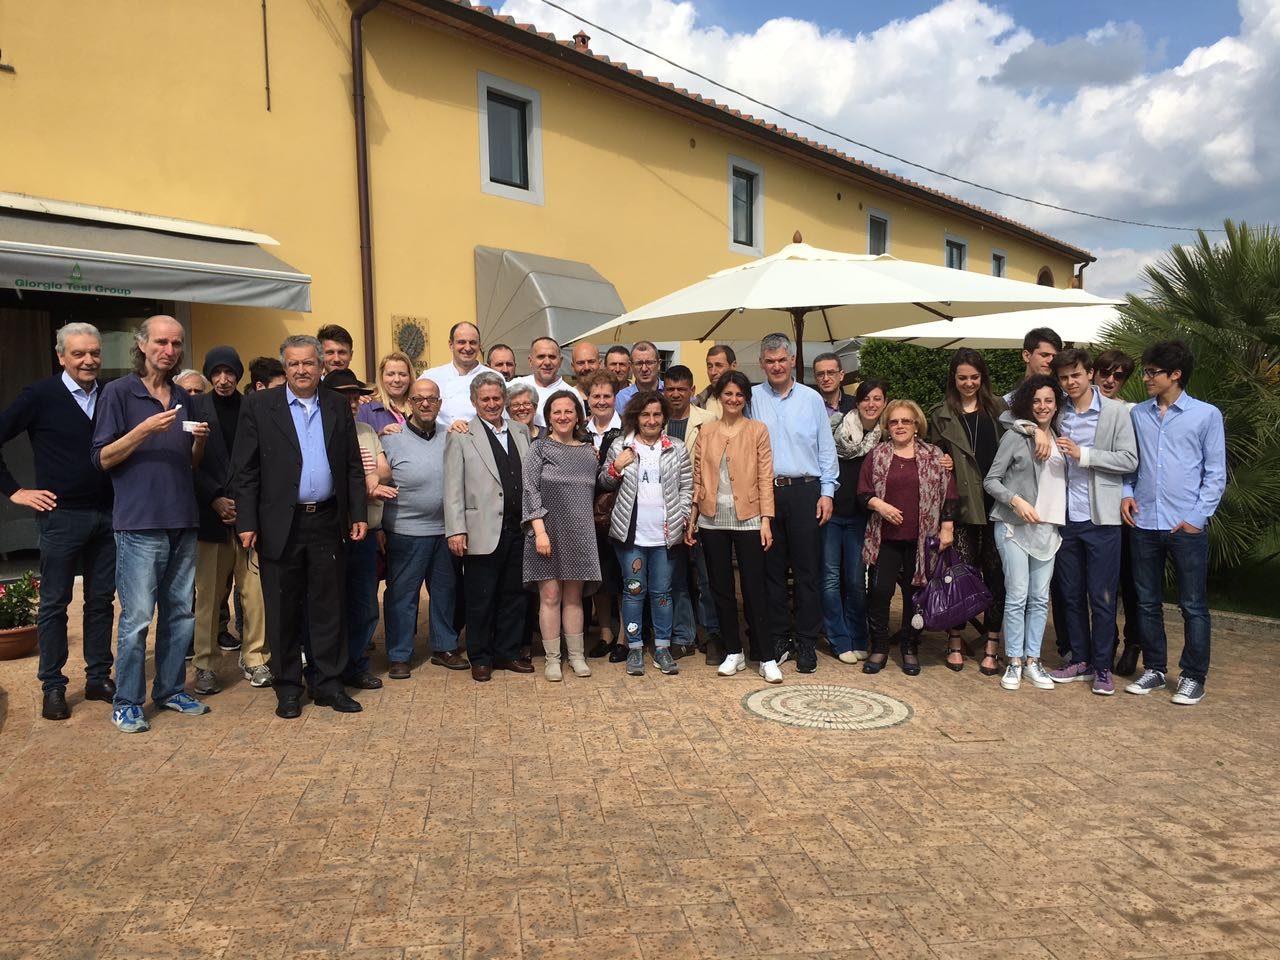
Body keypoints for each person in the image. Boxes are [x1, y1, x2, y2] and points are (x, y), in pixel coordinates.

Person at [232, 335, 369, 718]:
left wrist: (357, 513)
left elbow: (352, 466)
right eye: (293, 364)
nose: (302, 370)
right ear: (285, 367)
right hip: (280, 523)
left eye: (309, 363)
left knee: (329, 607)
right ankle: (288, 687)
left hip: (327, 519)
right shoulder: (259, 406)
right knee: (282, 609)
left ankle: (328, 684)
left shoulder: (337, 405)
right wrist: (246, 521)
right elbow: (245, 470)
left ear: (322, 366)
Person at [91, 316, 211, 732]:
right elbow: (103, 458)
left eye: (177, 343)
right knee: (138, 618)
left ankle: (171, 689)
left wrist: (198, 442)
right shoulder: (117, 393)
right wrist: (142, 430)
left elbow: (191, 464)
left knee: (180, 613)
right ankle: (126, 701)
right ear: (141, 345)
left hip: (183, 518)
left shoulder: (183, 396)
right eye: (161, 342)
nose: (170, 350)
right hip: (139, 524)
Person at [0, 322, 116, 721]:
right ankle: (53, 685)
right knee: (54, 604)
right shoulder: (40, 395)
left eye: (94, 353)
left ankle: (99, 676)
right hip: (60, 516)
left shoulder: (111, 394)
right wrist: (16, 491)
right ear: (61, 356)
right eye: (79, 354)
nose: (89, 361)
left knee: (101, 601)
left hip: (108, 515)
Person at [1122, 341, 1226, 706]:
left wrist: (1197, 518)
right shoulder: (1139, 415)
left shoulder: (1206, 415)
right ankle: (1155, 668)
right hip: (1145, 522)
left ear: (1175, 375)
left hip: (1186, 526)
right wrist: (1125, 492)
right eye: (1146, 371)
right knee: (1147, 602)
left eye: (1152, 372)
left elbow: (1215, 473)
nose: (1146, 378)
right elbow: (1130, 463)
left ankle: (1194, 676)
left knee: (1193, 604)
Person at [1047, 348, 1139, 696]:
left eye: (1076, 376)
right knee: (1070, 595)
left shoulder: (1116, 412)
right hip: (1065, 517)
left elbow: (1129, 459)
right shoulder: (1059, 412)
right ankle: (1079, 660)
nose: (1070, 383)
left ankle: (1102, 666)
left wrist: (1084, 455)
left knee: (1101, 596)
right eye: (1064, 378)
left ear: (1089, 375)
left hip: (1102, 518)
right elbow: (1016, 414)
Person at [752, 332, 838, 674]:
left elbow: (825, 448)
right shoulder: (752, 398)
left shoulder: (812, 399)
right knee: (770, 571)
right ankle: (779, 637)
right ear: (762, 364)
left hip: (806, 491)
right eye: (769, 361)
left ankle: (805, 641)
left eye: (781, 360)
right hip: (767, 493)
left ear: (791, 362)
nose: (776, 366)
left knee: (807, 573)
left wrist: (828, 492)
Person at [188, 346, 271, 694]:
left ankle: (255, 658)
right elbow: (186, 462)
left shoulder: (252, 407)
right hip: (210, 518)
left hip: (249, 515)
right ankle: (205, 664)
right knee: (208, 597)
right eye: (217, 373)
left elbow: (260, 460)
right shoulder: (196, 407)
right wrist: (214, 498)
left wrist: (244, 503)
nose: (223, 380)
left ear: (239, 375)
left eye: (230, 373)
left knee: (255, 593)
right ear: (209, 375)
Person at [685, 371, 776, 679]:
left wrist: (766, 519)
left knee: (754, 588)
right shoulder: (706, 431)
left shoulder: (757, 430)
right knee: (720, 588)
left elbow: (766, 476)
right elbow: (698, 477)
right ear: (719, 397)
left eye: (739, 394)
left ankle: (766, 656)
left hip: (749, 517)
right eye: (728, 394)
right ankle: (733, 652)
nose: (734, 399)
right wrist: (693, 518)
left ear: (745, 399)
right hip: (712, 520)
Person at [444, 372, 535, 681]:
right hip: (480, 529)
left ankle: (507, 652)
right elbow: (452, 487)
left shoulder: (522, 432)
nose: (492, 404)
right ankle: (480, 657)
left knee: (514, 595)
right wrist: (456, 529)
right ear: (474, 402)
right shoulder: (461, 435)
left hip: (518, 529)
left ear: (504, 399)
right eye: (485, 399)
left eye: (497, 398)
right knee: (481, 597)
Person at [858, 399, 957, 676]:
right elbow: (863, 492)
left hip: (922, 539)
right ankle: (878, 647)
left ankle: (910, 648)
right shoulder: (877, 456)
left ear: (916, 426)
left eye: (906, 421)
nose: (900, 426)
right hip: (885, 537)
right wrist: (880, 505)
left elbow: (949, 494)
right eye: (894, 422)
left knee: (916, 596)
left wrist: (947, 527)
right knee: (879, 593)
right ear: (887, 427)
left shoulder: (935, 455)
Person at [598, 391, 693, 677]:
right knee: (634, 591)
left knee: (662, 593)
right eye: (645, 415)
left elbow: (687, 486)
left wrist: (684, 515)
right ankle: (635, 647)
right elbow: (603, 481)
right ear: (636, 417)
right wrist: (616, 466)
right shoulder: (620, 445)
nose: (651, 420)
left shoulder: (676, 447)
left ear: (664, 417)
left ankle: (662, 647)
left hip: (665, 536)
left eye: (656, 414)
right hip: (631, 537)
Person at [984, 375, 1067, 691]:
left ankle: (1033, 660)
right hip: (1014, 526)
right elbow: (991, 481)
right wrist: (1015, 500)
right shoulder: (1015, 437)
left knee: (1039, 598)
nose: (1043, 406)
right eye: (1036, 401)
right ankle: (1014, 661)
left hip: (1047, 528)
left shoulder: (1060, 438)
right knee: (1017, 595)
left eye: (1048, 400)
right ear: (1026, 405)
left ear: (1056, 405)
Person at [928, 349, 1006, 675]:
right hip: (960, 506)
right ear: (953, 379)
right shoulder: (940, 414)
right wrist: (940, 459)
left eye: (974, 377)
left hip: (996, 505)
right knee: (960, 575)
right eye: (962, 378)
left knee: (997, 575)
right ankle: (956, 640)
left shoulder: (1001, 410)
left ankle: (991, 644)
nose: (969, 383)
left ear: (982, 377)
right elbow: (932, 457)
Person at [381, 378, 464, 678]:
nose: (425, 403)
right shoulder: (390, 439)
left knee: (445, 593)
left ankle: (445, 646)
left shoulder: (453, 437)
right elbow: (377, 484)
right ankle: (400, 654)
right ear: (409, 404)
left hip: (445, 530)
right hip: (405, 532)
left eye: (431, 398)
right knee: (402, 596)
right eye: (418, 399)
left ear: (440, 403)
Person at [324, 369, 395, 692]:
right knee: (331, 603)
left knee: (365, 604)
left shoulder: (366, 430)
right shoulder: (322, 431)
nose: (351, 402)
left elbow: (383, 468)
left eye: (355, 396)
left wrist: (371, 480)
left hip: (367, 530)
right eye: (344, 396)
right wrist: (363, 488)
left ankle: (356, 665)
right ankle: (328, 668)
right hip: (333, 530)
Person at [523, 391, 603, 681]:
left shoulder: (588, 452)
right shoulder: (539, 449)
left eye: (569, 411)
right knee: (550, 595)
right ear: (548, 417)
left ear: (578, 416)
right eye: (556, 412)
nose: (563, 417)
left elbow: (600, 483)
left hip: (580, 532)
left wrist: (618, 465)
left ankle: (577, 656)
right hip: (546, 532)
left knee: (573, 597)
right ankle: (552, 659)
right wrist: (540, 531)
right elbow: (530, 491)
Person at [826, 379, 886, 663]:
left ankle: (858, 636)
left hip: (862, 516)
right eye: (866, 399)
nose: (871, 404)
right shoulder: (837, 428)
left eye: (877, 399)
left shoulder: (886, 436)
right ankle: (838, 639)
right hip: (831, 513)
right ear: (857, 402)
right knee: (830, 579)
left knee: (855, 580)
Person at [1091, 349, 1141, 675]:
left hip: (1126, 510)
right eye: (1106, 372)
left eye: (1118, 375)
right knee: (1098, 586)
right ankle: (1101, 648)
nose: (1110, 380)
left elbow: (1134, 464)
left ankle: (1133, 643)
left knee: (1130, 583)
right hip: (1091, 509)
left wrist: (1126, 492)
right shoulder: (1075, 406)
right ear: (1094, 372)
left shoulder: (1132, 412)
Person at [661, 365, 715, 659]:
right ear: (664, 390)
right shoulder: (657, 420)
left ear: (692, 390)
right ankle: (683, 635)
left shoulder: (708, 420)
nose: (676, 394)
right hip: (667, 513)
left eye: (682, 389)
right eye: (671, 389)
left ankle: (710, 634)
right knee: (676, 578)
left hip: (703, 509)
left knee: (706, 578)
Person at [580, 370, 622, 653]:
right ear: (588, 399)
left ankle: (625, 637)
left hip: (620, 513)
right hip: (587, 514)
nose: (602, 401)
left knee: (621, 576)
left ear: (615, 398)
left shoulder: (627, 430)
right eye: (596, 396)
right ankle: (605, 633)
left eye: (607, 396)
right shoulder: (579, 431)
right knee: (600, 577)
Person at [420, 322, 495, 428]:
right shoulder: (430, 377)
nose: (468, 348)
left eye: (473, 342)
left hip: (482, 441)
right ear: (451, 345)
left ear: (479, 346)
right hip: (441, 441)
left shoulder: (494, 377)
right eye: (461, 342)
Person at [513, 337, 572, 427]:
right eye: (541, 357)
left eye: (552, 357)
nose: (547, 362)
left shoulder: (572, 394)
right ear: (530, 361)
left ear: (560, 361)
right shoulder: (514, 387)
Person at [358, 351, 414, 436]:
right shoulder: (366, 408)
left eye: (403, 374)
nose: (397, 380)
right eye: (390, 374)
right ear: (381, 377)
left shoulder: (418, 406)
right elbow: (360, 443)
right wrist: (380, 434)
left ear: (410, 378)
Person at [1003, 327, 1063, 404]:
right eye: (1044, 355)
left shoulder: (1066, 400)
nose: (1050, 361)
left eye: (1054, 356)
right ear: (1026, 356)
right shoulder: (1006, 403)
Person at [615, 341, 663, 410]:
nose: (644, 369)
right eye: (639, 363)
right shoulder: (620, 399)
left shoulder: (671, 392)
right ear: (631, 366)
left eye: (649, 363)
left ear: (659, 364)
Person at [692, 344, 737, 418]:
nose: (713, 372)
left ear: (733, 366)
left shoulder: (750, 401)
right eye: (709, 366)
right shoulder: (698, 403)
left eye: (719, 365)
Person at [813, 352, 855, 417]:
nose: (826, 378)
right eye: (820, 374)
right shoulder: (809, 406)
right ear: (815, 378)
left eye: (831, 373)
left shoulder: (855, 405)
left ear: (841, 375)